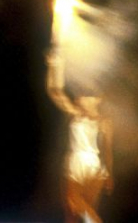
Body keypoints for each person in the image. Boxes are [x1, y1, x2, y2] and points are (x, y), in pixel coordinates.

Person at [47, 53, 113, 223]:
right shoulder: (75, 113)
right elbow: (55, 91)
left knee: (80, 207)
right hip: (78, 160)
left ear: (97, 100)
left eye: (85, 96)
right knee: (73, 213)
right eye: (80, 95)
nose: (79, 98)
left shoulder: (104, 121)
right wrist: (55, 65)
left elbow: (107, 149)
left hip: (93, 165)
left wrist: (109, 174)